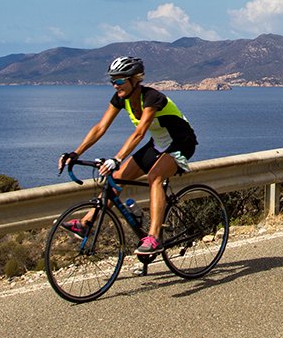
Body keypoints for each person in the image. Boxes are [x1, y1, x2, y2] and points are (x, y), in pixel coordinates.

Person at [58, 55, 198, 255]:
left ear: (135, 79)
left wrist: (117, 158)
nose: (115, 85)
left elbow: (139, 132)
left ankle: (155, 237)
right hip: (158, 144)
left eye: (120, 80)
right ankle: (86, 223)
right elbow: (100, 127)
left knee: (155, 177)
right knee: (116, 178)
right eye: (113, 80)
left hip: (181, 143)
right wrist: (75, 152)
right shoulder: (121, 99)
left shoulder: (152, 97)